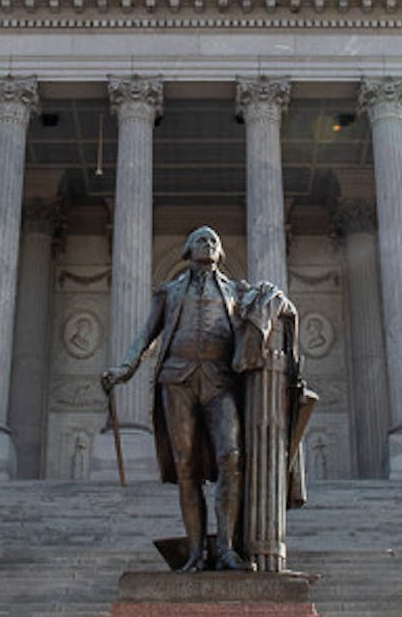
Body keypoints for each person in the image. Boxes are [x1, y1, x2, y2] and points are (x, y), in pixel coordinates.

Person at [102, 226, 255, 572]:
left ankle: (227, 548)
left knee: (231, 457)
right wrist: (124, 368)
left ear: (221, 253)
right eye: (201, 239)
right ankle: (195, 552)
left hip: (220, 380)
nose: (209, 243)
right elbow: (147, 335)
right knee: (186, 468)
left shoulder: (237, 293)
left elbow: (260, 325)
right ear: (188, 248)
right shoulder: (169, 291)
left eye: (215, 240)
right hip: (177, 379)